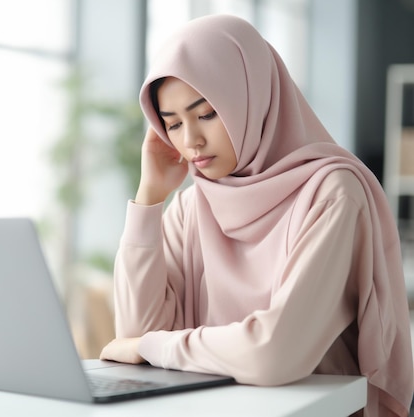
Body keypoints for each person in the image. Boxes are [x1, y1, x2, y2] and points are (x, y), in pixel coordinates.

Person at [99, 14, 413, 417]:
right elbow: (136, 336)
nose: (190, 140)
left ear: (253, 96)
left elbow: (275, 353)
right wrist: (148, 200)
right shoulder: (192, 207)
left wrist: (152, 347)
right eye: (173, 124)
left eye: (207, 114)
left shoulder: (332, 193)